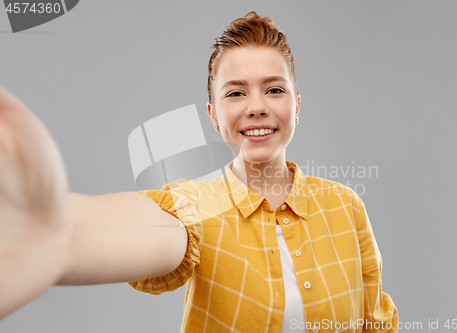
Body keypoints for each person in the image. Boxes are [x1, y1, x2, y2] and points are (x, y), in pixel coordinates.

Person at [0, 11, 398, 332]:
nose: (256, 106)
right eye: (235, 92)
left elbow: (375, 325)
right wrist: (56, 229)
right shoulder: (195, 206)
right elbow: (144, 229)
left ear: (297, 105)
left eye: (274, 89)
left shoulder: (346, 206)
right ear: (213, 115)